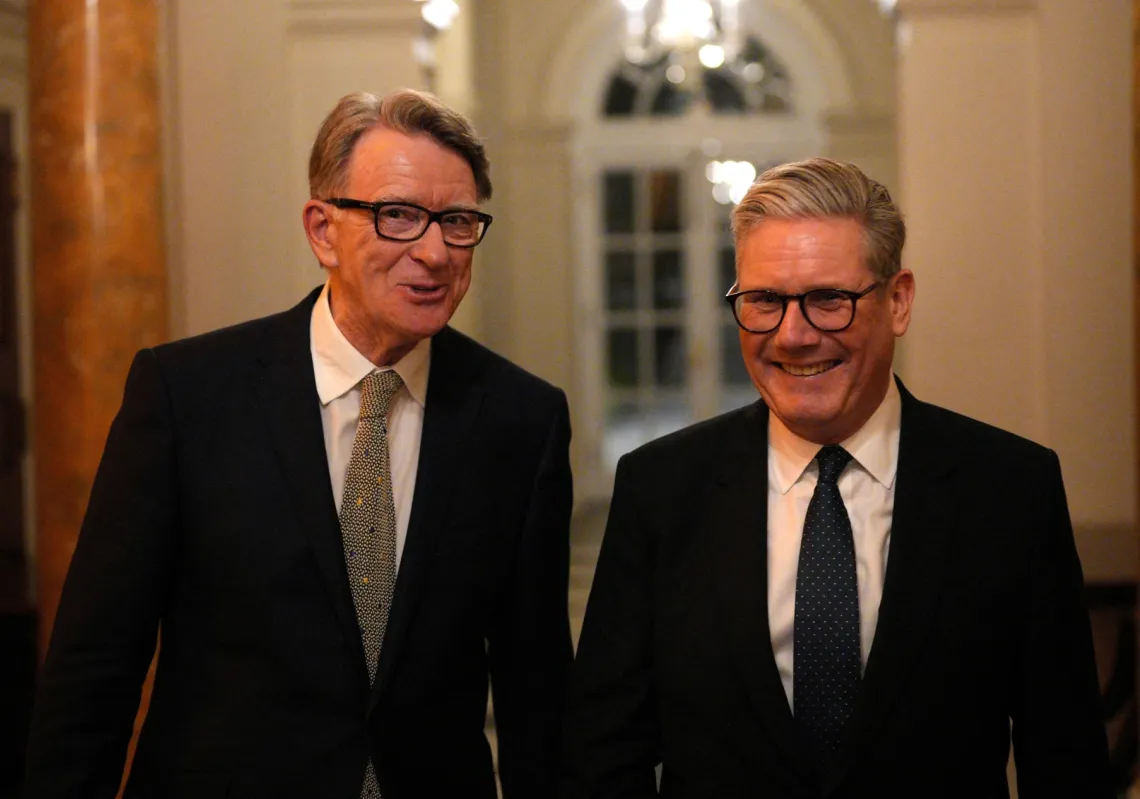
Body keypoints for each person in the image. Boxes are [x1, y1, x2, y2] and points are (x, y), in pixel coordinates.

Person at [25, 89, 573, 799]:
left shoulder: (520, 419)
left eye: (458, 221)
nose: (435, 251)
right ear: (323, 230)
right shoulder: (186, 397)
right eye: (398, 215)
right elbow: (94, 667)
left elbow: (538, 694)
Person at [563, 158, 1111, 798]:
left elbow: (1066, 758)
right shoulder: (660, 490)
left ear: (898, 300)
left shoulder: (1011, 491)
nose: (793, 335)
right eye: (764, 300)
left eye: (830, 299)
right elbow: (603, 754)